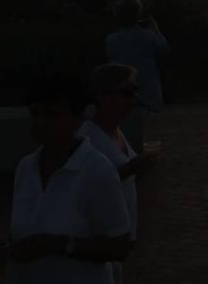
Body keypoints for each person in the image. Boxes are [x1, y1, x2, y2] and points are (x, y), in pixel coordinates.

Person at [7, 75, 133, 283]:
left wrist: (53, 245)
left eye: (52, 114)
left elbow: (119, 247)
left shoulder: (97, 170)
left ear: (78, 119)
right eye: (35, 113)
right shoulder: (26, 167)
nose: (40, 122)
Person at [80, 65, 162, 282]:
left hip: (118, 241)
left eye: (134, 91)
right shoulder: (87, 139)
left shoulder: (115, 131)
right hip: (100, 243)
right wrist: (131, 168)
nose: (133, 98)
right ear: (101, 97)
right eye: (126, 93)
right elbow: (84, 187)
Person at [104, 0, 169, 151]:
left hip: (119, 93)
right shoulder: (148, 36)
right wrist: (156, 29)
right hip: (145, 95)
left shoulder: (111, 40)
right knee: (141, 142)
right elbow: (165, 51)